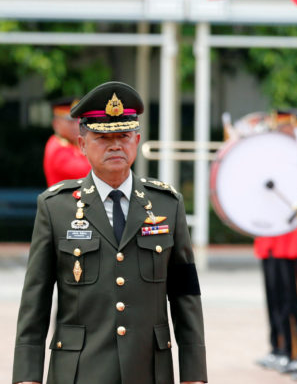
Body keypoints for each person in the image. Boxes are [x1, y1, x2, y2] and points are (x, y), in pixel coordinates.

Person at [13, 81, 206, 384]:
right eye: (103, 137)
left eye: (124, 136)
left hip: (149, 370)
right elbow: (34, 300)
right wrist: (27, 376)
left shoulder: (168, 205)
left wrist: (194, 375)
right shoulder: (55, 208)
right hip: (78, 371)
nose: (115, 145)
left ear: (137, 140)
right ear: (82, 143)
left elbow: (186, 296)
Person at [43, 97, 90, 186]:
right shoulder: (57, 148)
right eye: (71, 121)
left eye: (79, 120)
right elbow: (90, 172)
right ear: (56, 123)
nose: (77, 125)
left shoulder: (73, 143)